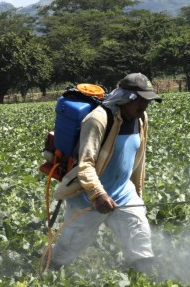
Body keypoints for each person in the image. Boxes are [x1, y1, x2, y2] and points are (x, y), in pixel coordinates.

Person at [49, 72, 162, 274]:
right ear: (128, 98)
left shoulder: (141, 118)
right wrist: (98, 195)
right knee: (66, 251)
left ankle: (147, 283)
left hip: (123, 193)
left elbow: (138, 159)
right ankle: (44, 277)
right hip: (87, 198)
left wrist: (137, 192)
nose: (145, 106)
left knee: (141, 242)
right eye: (141, 101)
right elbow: (85, 165)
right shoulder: (98, 119)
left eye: (148, 102)